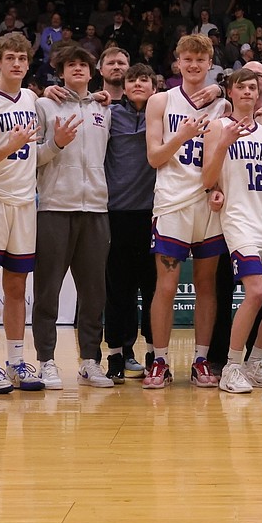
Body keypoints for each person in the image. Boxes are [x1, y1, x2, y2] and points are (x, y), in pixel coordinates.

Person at [0, 33, 57, 394]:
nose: (17, 63)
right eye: (10, 58)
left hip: (25, 200)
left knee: (18, 285)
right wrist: (12, 144)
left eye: (22, 57)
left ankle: (17, 360)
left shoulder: (33, 98)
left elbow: (36, 155)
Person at [202, 67, 262, 392]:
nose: (247, 92)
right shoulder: (218, 127)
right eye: (241, 87)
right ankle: (232, 365)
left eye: (252, 88)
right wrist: (224, 143)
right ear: (231, 92)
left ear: (259, 94)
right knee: (256, 291)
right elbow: (207, 178)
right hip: (238, 220)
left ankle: (255, 362)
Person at [144, 33, 230, 388]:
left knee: (206, 284)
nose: (193, 65)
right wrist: (180, 136)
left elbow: (254, 90)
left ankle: (201, 359)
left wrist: (222, 91)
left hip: (209, 202)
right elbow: (154, 157)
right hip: (172, 201)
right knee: (166, 284)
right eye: (187, 59)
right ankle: (160, 360)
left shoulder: (221, 106)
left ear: (210, 64)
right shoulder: (160, 101)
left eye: (200, 60)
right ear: (177, 63)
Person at [31, 42, 111, 389]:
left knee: (94, 292)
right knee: (47, 290)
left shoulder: (104, 107)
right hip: (53, 207)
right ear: (60, 71)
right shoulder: (44, 105)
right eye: (70, 65)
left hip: (96, 208)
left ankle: (90, 361)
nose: (77, 69)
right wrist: (56, 144)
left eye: (83, 64)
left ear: (91, 72)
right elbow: (29, 158)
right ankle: (46, 361)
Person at [105, 61, 158, 379]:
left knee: (153, 288)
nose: (138, 84)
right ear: (123, 87)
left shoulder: (163, 113)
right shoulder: (110, 114)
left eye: (144, 79)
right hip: (116, 213)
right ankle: (118, 354)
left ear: (155, 86)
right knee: (118, 289)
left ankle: (155, 353)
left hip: (153, 214)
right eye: (132, 80)